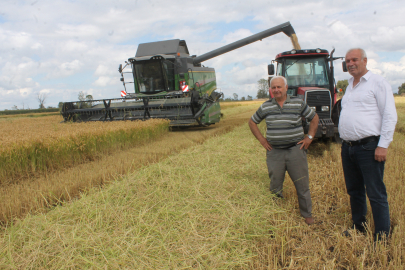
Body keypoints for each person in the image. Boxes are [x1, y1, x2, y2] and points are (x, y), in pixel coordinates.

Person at [339, 48, 397, 241]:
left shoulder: (378, 83)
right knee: (354, 190)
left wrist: (383, 145)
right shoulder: (349, 85)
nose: (350, 63)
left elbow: (389, 115)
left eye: (354, 60)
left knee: (375, 192)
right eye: (347, 61)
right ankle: (359, 227)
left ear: (365, 60)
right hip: (348, 147)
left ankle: (382, 236)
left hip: (368, 147)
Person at [248, 76, 319, 225]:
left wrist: (309, 138)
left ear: (286, 88)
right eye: (273, 87)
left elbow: (314, 118)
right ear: (270, 89)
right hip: (275, 153)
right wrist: (262, 140)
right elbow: (252, 122)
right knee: (275, 185)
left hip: (296, 150)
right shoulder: (266, 106)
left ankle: (307, 215)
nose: (276, 90)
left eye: (279, 87)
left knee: (302, 184)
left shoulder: (298, 103)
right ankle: (276, 212)